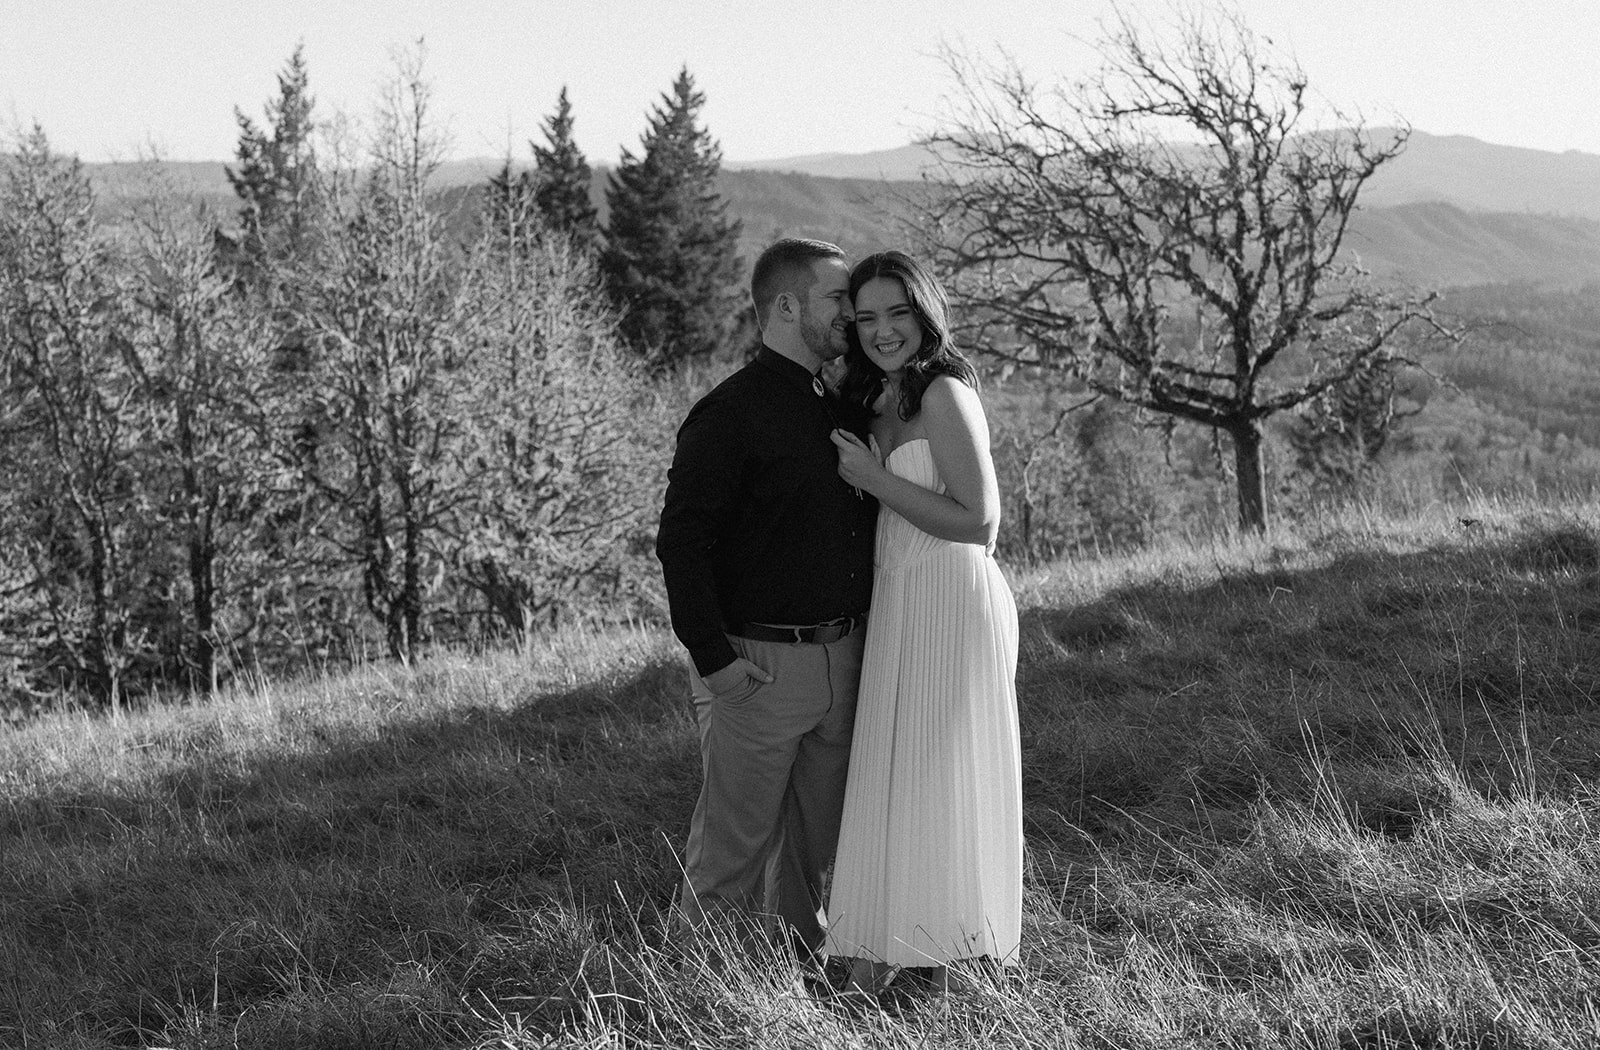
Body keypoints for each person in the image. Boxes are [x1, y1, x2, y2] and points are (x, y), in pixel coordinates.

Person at [656, 237, 878, 961]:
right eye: (837, 299)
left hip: (840, 660)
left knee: (811, 856)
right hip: (758, 665)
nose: (852, 313)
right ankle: (693, 1006)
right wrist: (716, 663)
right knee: (731, 857)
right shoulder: (728, 415)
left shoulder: (835, 401)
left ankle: (791, 993)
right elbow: (681, 545)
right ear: (786, 307)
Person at [823, 250, 1023, 994]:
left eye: (897, 313)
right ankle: (891, 946)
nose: (882, 331)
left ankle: (955, 951)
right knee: (898, 770)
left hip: (949, 595)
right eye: (867, 317)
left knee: (944, 770)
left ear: (924, 311)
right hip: (900, 595)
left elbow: (980, 520)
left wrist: (875, 479)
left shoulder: (942, 393)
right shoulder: (879, 396)